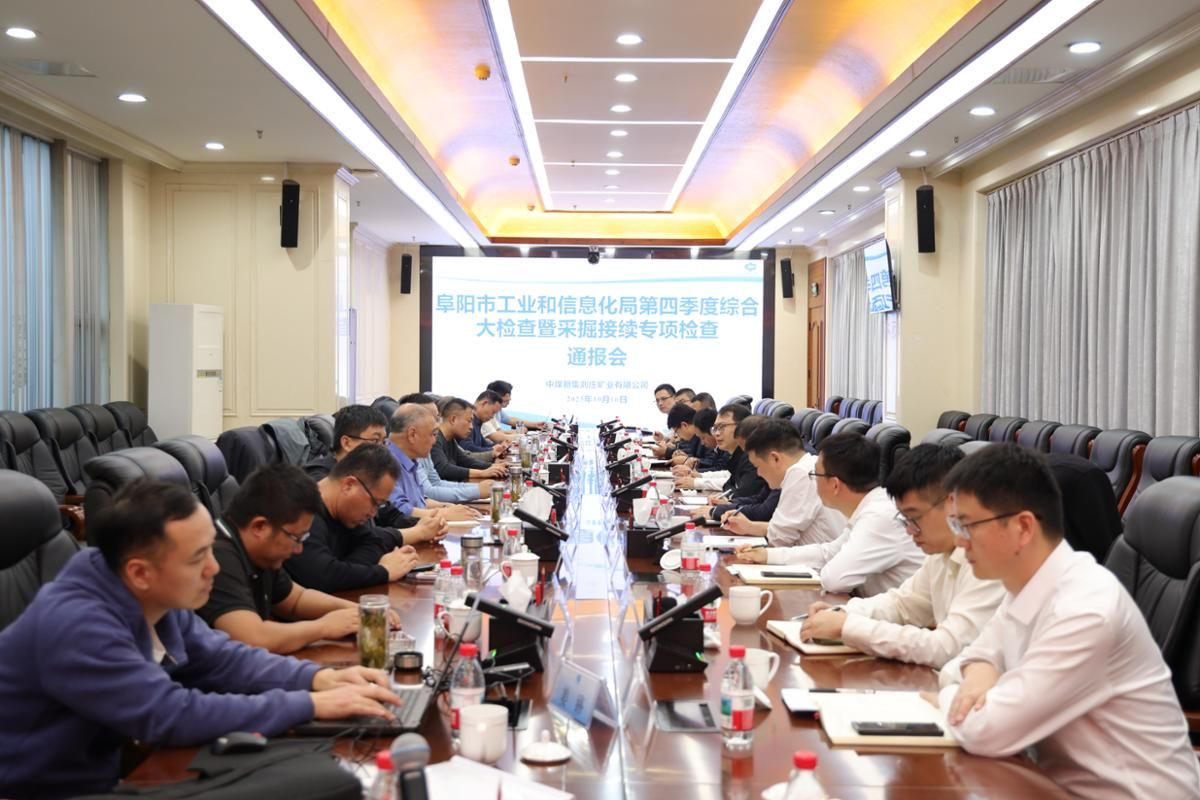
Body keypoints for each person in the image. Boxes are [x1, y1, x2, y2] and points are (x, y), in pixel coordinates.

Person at [0, 480, 401, 799]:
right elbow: (170, 714)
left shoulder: (145, 590)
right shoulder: (77, 623)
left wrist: (316, 679)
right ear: (140, 572)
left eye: (210, 549)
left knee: (313, 773)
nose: (214, 567)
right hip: (39, 790)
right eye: (197, 558)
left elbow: (222, 658)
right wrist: (309, 704)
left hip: (109, 771)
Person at [933, 445, 1200, 798]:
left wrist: (947, 697)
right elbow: (966, 659)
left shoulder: (1084, 609)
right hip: (1053, 782)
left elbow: (988, 731)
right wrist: (979, 672)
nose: (958, 540)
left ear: (1023, 527)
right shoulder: (1025, 584)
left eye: (967, 525)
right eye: (955, 524)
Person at [800, 445, 1004, 668]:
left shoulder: (988, 560)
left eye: (914, 518)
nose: (909, 530)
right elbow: (901, 605)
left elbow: (947, 648)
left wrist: (848, 626)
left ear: (952, 504)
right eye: (905, 519)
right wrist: (842, 613)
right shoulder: (940, 553)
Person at [199, 464, 402, 654]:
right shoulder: (218, 557)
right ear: (260, 527)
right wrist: (323, 627)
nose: (299, 549)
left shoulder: (260, 552)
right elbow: (253, 638)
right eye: (296, 538)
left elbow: (296, 600)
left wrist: (358, 610)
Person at [736, 432, 922, 597]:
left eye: (815, 475)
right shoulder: (872, 507)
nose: (813, 481)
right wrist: (767, 555)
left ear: (834, 484)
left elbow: (834, 579)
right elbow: (828, 552)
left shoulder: (880, 517)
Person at [284, 444, 432, 593]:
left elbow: (374, 541)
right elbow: (321, 576)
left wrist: (347, 569)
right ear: (349, 485)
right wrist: (383, 571)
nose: (373, 513)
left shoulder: (346, 513)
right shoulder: (302, 512)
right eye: (375, 503)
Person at [723, 418, 842, 547]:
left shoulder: (800, 474)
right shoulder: (809, 464)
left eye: (757, 466)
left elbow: (780, 539)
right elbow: (782, 530)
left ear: (775, 458)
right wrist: (749, 527)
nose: (758, 474)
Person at [386, 403, 481, 522]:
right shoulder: (384, 463)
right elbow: (398, 511)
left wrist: (447, 507)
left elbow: (421, 501)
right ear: (412, 434)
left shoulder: (411, 461)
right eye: (433, 434)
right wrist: (443, 514)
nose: (434, 441)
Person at [399, 393, 495, 504]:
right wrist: (476, 491)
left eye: (437, 418)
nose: (437, 424)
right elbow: (428, 493)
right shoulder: (400, 453)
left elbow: (436, 482)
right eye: (432, 418)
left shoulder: (423, 445)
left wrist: (478, 488)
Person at [674, 405, 766, 501]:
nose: (716, 433)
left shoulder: (752, 457)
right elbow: (728, 484)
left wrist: (697, 481)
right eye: (715, 428)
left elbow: (742, 493)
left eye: (722, 427)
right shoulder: (736, 455)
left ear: (742, 427)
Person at [430, 397, 508, 482]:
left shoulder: (450, 439)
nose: (471, 427)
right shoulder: (434, 439)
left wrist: (492, 466)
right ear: (453, 419)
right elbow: (443, 469)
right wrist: (482, 473)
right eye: (469, 421)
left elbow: (465, 460)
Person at [304, 404, 387, 480]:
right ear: (346, 443)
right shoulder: (320, 479)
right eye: (375, 440)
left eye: (384, 442)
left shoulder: (369, 472)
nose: (383, 449)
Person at [460, 390, 508, 457]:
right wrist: (492, 450)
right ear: (484, 404)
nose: (492, 417)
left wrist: (499, 446)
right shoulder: (467, 421)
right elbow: (468, 448)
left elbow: (483, 444)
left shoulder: (478, 421)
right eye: (493, 412)